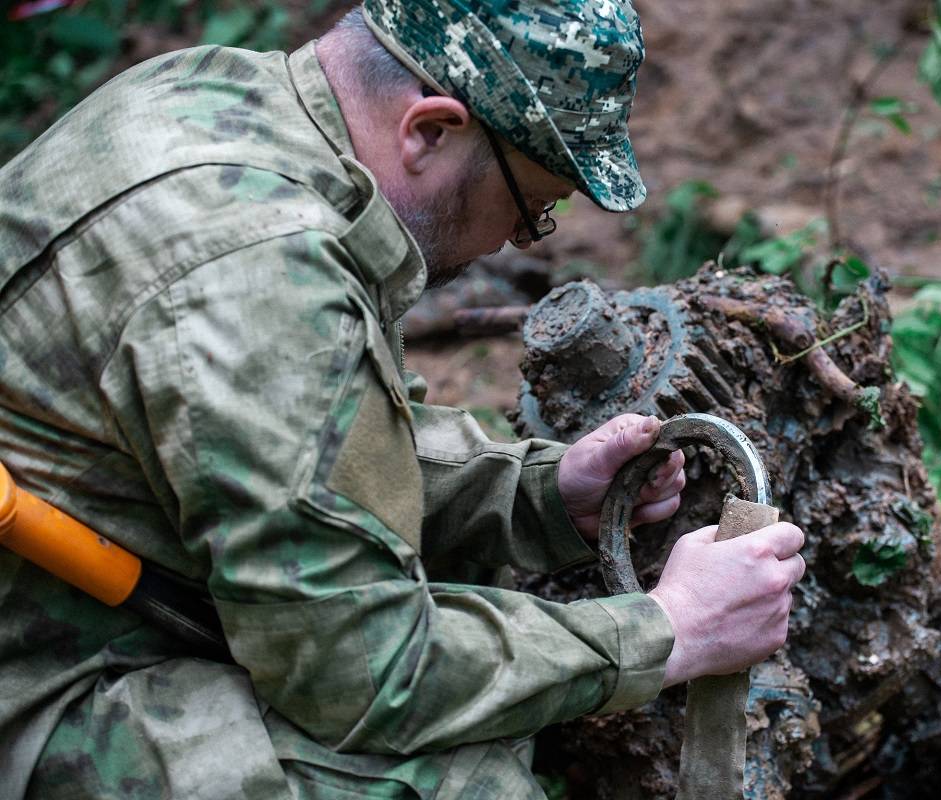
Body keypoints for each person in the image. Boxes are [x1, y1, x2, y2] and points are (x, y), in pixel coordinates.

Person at [0, 1, 806, 797]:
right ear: (430, 131)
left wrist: (535, 494)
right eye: (529, 211)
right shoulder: (262, 278)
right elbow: (362, 674)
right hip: (42, 679)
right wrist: (670, 631)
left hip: (99, 587)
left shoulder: (215, 96)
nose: (512, 240)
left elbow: (303, 442)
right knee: (460, 783)